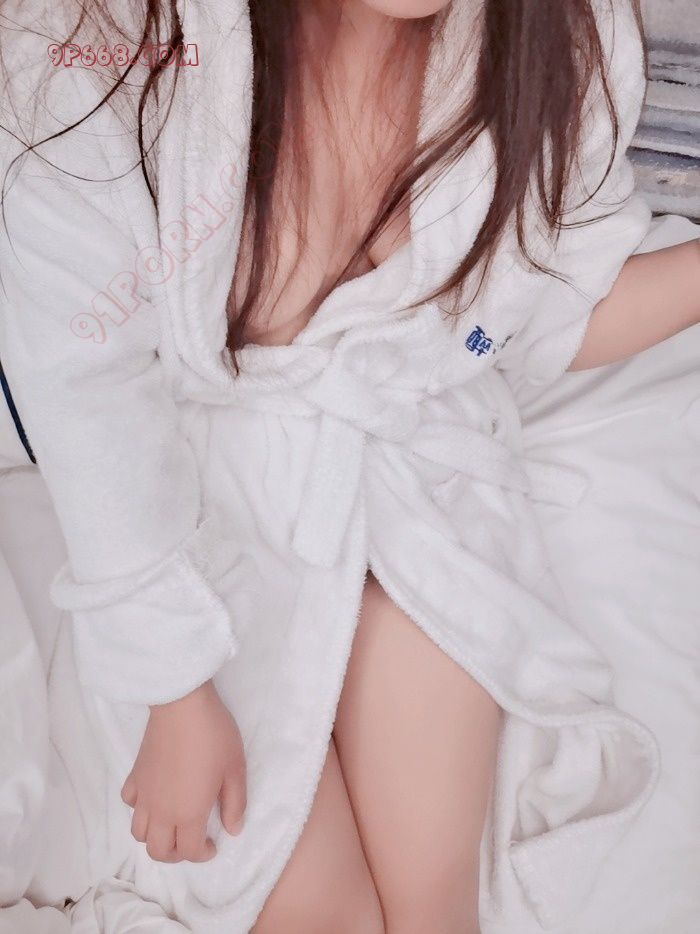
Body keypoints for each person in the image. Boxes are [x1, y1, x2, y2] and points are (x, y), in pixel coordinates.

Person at [0, 0, 698, 931]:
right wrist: (173, 686)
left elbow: (531, 315)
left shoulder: (558, 32)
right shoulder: (103, 43)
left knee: (435, 914)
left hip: (414, 501)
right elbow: (89, 398)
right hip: (197, 527)